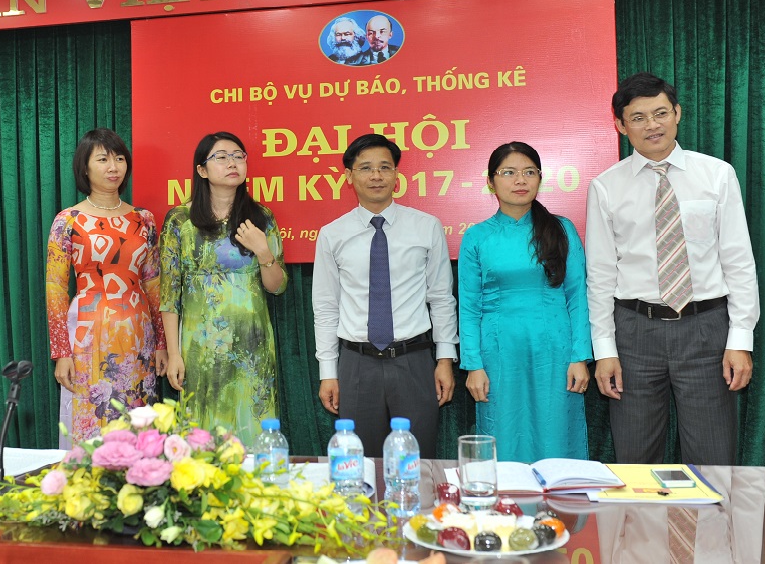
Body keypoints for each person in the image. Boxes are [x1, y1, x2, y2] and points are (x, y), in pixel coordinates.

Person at [585, 72, 759, 466]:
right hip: (634, 333)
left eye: (660, 113)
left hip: (706, 329)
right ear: (620, 125)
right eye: (638, 117)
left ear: (677, 113)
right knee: (635, 458)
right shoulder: (605, 187)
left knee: (712, 457)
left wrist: (740, 339)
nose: (652, 125)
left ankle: (712, 512)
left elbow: (738, 261)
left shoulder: (717, 174)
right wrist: (605, 350)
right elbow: (600, 275)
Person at [313, 133, 457, 458]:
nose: (376, 176)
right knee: (359, 465)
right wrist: (328, 373)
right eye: (365, 168)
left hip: (414, 360)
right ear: (349, 176)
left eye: (384, 167)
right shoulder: (332, 235)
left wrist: (445, 360)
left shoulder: (426, 226)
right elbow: (325, 308)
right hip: (356, 364)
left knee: (417, 462)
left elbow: (441, 298)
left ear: (396, 174)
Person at [458, 142, 592, 462]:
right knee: (503, 431)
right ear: (491, 181)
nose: (520, 180)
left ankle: (558, 496)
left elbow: (577, 296)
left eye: (529, 172)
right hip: (498, 350)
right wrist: (473, 365)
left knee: (555, 430)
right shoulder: (477, 237)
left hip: (556, 349)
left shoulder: (561, 229)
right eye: (509, 173)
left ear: (540, 178)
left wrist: (580, 356)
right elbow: (469, 306)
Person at [159, 132, 287, 445]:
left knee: (254, 433)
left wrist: (263, 251)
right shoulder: (180, 220)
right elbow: (169, 295)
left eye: (239, 156)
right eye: (221, 157)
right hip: (200, 348)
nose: (232, 163)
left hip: (252, 347)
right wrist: (174, 354)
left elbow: (277, 286)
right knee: (202, 437)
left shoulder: (261, 218)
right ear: (201, 170)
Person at [46, 128, 168, 448]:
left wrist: (162, 343)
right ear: (84, 168)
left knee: (138, 425)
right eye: (102, 159)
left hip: (138, 335)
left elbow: (154, 284)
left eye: (119, 159)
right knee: (90, 422)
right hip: (87, 334)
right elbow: (55, 289)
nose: (113, 167)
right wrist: (61, 353)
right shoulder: (67, 221)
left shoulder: (144, 220)